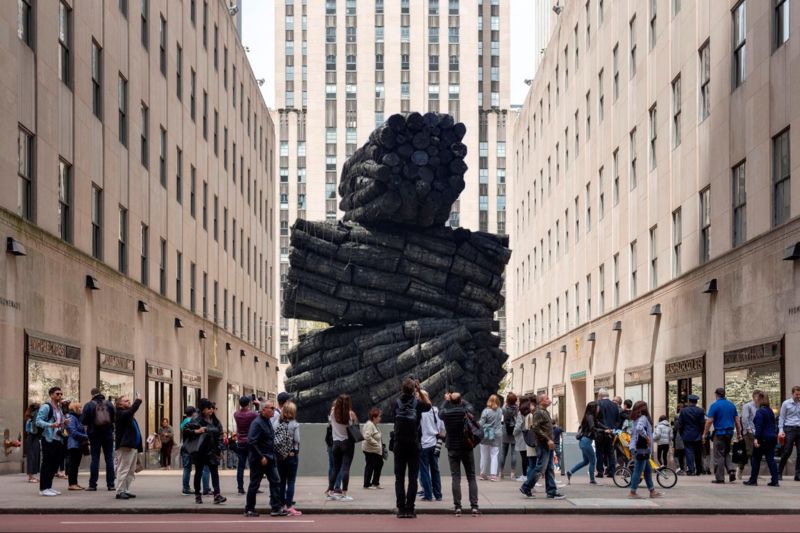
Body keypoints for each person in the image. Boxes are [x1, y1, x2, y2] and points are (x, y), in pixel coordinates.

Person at [392, 377, 432, 518]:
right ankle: (410, 508)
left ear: (402, 389)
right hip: (414, 444)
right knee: (413, 478)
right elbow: (429, 404)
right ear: (414, 389)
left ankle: (401, 509)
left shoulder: (395, 403)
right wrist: (419, 390)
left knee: (399, 478)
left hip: (399, 444)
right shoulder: (418, 404)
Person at [440, 391, 479, 516]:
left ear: (451, 401)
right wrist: (460, 399)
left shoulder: (446, 414)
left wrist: (447, 400)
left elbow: (440, 411)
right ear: (460, 401)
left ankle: (457, 507)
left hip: (452, 448)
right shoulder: (465, 412)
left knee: (455, 477)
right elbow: (470, 407)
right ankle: (474, 506)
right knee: (471, 477)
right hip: (466, 447)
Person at [245, 400, 286, 517]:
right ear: (264, 410)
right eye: (271, 408)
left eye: (273, 408)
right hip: (260, 460)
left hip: (270, 458)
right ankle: (249, 508)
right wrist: (261, 456)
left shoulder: (267, 421)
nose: (273, 410)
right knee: (255, 484)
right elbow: (251, 442)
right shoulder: (257, 423)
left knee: (276, 481)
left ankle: (276, 508)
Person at [520, 393, 564, 499]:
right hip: (543, 444)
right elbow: (536, 428)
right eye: (547, 398)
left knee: (549, 468)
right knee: (540, 468)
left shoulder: (544, 412)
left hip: (547, 444)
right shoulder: (539, 412)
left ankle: (551, 491)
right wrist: (548, 439)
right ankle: (526, 487)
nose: (549, 400)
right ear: (541, 401)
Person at [185, 398, 226, 504]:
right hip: (200, 451)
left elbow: (220, 435)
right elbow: (185, 430)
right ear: (203, 409)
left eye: (211, 408)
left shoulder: (215, 421)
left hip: (212, 450)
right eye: (208, 408)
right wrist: (197, 431)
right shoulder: (196, 420)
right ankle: (198, 495)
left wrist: (220, 448)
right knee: (198, 473)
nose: (211, 410)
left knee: (214, 473)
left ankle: (217, 495)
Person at [703, 387, 742, 484]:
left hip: (719, 433)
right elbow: (737, 421)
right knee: (727, 452)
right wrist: (739, 434)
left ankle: (720, 478)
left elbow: (709, 421)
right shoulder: (731, 405)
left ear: (716, 394)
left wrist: (704, 433)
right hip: (729, 433)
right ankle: (731, 469)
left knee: (718, 455)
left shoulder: (715, 405)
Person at [81, 388, 116, 492]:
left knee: (95, 459)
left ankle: (92, 485)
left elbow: (83, 420)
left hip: (94, 435)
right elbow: (114, 418)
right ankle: (111, 485)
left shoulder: (89, 405)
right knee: (109, 459)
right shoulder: (109, 404)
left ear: (92, 395)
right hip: (108, 434)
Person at [628, 401, 663, 499]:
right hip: (640, 449)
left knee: (647, 470)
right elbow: (639, 429)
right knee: (638, 470)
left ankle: (652, 491)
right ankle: (632, 492)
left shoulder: (636, 418)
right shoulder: (643, 418)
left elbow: (634, 431)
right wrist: (646, 437)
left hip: (638, 448)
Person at [567, 401, 608, 485]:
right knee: (593, 460)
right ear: (593, 408)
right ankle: (592, 480)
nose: (598, 408)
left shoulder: (590, 416)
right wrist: (604, 431)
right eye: (597, 407)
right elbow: (593, 428)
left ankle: (570, 472)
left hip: (584, 442)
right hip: (586, 442)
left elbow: (599, 424)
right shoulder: (590, 417)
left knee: (586, 461)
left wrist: (607, 428)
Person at [744, 392, 779, 487]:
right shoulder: (770, 411)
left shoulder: (760, 412)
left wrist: (756, 439)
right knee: (770, 459)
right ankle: (775, 480)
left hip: (763, 437)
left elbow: (759, 426)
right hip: (772, 437)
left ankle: (753, 480)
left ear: (759, 400)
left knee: (756, 458)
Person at [35, 387, 66, 496]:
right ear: (51, 395)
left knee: (54, 464)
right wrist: (50, 425)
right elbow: (38, 421)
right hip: (48, 438)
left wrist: (64, 422)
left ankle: (49, 486)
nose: (60, 396)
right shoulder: (46, 407)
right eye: (57, 394)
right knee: (47, 463)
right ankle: (43, 489)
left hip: (58, 439)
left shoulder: (59, 408)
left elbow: (58, 421)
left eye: (61, 394)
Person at [328, 394, 358, 501]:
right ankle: (344, 494)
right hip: (347, 443)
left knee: (335, 469)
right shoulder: (351, 414)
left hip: (336, 443)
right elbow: (356, 426)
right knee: (345, 468)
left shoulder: (332, 412)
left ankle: (331, 491)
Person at [114, 393, 142, 500]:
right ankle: (120, 491)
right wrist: (138, 400)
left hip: (132, 446)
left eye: (129, 401)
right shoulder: (120, 413)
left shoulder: (128, 414)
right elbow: (131, 410)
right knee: (124, 468)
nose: (129, 402)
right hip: (125, 446)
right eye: (126, 401)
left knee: (130, 470)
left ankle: (126, 489)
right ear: (119, 403)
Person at [276, 400, 302, 516]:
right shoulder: (294, 424)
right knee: (291, 481)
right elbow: (297, 440)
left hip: (280, 456)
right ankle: (289, 506)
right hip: (291, 455)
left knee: (281, 481)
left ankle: (281, 505)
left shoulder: (278, 422)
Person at [419, 391, 444, 502]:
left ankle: (428, 494)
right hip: (434, 443)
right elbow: (441, 427)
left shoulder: (419, 412)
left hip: (423, 444)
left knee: (424, 470)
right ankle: (438, 494)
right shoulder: (435, 410)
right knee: (435, 469)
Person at [180, 406, 209, 496]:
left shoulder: (183, 422)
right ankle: (203, 488)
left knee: (186, 468)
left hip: (185, 446)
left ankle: (185, 487)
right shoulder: (193, 422)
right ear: (193, 413)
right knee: (199, 468)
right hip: (192, 448)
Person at [234, 396, 258, 494]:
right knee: (253, 466)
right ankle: (253, 486)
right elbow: (259, 416)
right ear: (249, 403)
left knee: (241, 466)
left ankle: (240, 487)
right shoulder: (252, 414)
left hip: (240, 442)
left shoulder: (236, 414)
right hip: (250, 441)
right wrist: (257, 406)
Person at [677, 395, 706, 475]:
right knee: (698, 453)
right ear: (696, 402)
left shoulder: (683, 411)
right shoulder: (700, 411)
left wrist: (682, 433)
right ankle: (699, 470)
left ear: (689, 401)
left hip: (687, 434)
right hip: (697, 435)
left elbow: (680, 424)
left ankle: (691, 470)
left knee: (689, 452)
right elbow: (702, 424)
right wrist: (702, 433)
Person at [595, 389, 620, 478]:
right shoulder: (614, 405)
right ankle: (611, 471)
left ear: (600, 395)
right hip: (611, 433)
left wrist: (602, 428)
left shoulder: (598, 403)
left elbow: (596, 419)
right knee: (610, 452)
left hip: (601, 432)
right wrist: (613, 429)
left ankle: (600, 471)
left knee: (599, 452)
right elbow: (618, 420)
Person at [478, 394, 503, 481]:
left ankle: (483, 474)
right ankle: (493, 475)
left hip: (486, 434)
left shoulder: (486, 411)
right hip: (497, 434)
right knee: (494, 455)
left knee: (484, 455)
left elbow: (481, 424)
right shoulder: (500, 411)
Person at [778, 385, 800, 482]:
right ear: (792, 394)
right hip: (789, 428)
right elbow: (781, 418)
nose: (798, 396)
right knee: (787, 451)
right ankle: (779, 472)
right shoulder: (786, 404)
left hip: (799, 428)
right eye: (797, 394)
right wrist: (781, 430)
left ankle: (797, 474)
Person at [65, 401, 88, 491]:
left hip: (78, 444)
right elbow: (73, 432)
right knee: (73, 465)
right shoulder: (71, 417)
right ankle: (71, 484)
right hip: (73, 444)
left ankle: (75, 483)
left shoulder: (77, 418)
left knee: (75, 465)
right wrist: (86, 437)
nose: (81, 409)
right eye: (80, 407)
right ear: (75, 408)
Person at [362, 407, 384, 490]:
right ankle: (367, 484)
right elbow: (367, 436)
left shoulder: (374, 425)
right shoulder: (369, 425)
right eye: (379, 416)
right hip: (370, 450)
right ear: (374, 417)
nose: (380, 418)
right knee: (370, 465)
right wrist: (376, 444)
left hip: (375, 450)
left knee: (379, 464)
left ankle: (375, 482)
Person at [499, 393, 519, 479]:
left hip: (505, 432)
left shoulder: (504, 408)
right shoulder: (517, 408)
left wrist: (505, 404)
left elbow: (501, 417)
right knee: (513, 453)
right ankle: (512, 473)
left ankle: (500, 472)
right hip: (514, 432)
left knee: (503, 453)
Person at [512, 397, 532, 482]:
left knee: (524, 457)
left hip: (522, 437)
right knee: (529, 457)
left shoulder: (521, 413)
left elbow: (518, 425)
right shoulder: (530, 412)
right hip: (529, 436)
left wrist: (514, 433)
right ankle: (528, 474)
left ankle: (524, 475)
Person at [24, 402, 42, 484]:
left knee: (36, 456)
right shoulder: (30, 418)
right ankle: (30, 477)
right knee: (31, 457)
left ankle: (33, 476)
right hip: (31, 438)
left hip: (34, 438)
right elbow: (30, 430)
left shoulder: (31, 417)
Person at [672, 404, 686, 474]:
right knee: (683, 454)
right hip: (684, 437)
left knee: (677, 454)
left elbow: (675, 428)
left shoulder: (677, 416)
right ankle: (683, 468)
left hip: (678, 437)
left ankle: (679, 468)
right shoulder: (686, 416)